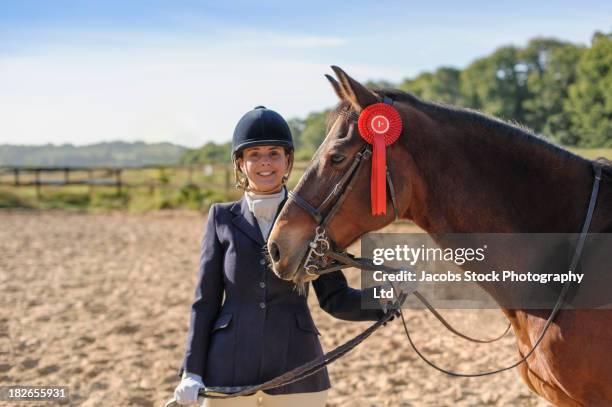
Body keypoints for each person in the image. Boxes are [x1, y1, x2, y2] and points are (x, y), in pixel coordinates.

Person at [174, 106, 387, 406]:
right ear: (240, 163)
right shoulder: (220, 218)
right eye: (254, 154)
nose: (265, 162)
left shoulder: (314, 223)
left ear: (287, 160)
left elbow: (335, 298)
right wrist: (192, 371)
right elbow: (205, 302)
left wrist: (385, 299)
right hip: (229, 369)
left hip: (298, 367)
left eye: (274, 153)